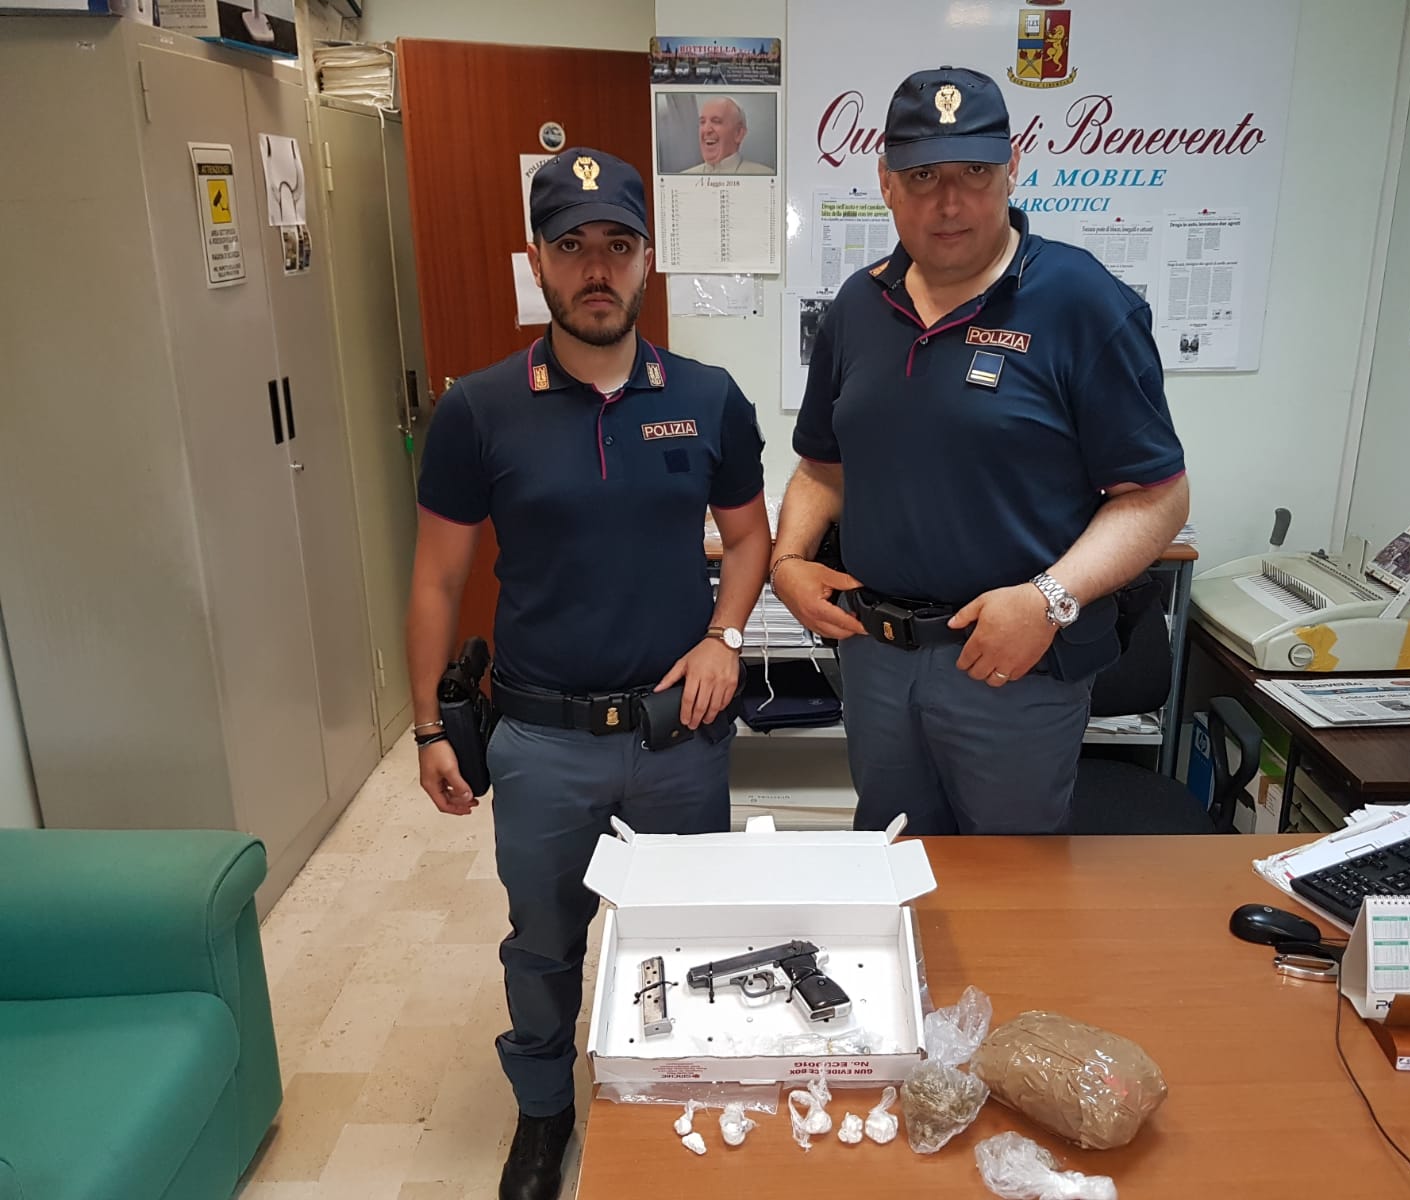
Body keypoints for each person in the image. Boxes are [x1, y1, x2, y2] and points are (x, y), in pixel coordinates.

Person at [405, 146, 768, 1200]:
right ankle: (543, 1111)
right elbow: (436, 579)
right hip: (541, 742)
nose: (596, 269)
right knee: (543, 945)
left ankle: (671, 1087)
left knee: (686, 933)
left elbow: (751, 538)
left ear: (648, 259)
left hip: (676, 736)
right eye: (572, 247)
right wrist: (426, 727)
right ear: (538, 261)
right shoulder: (479, 409)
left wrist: (725, 636)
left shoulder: (708, 398)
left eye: (617, 245)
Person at [770, 67, 1189, 837]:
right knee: (893, 859)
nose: (950, 202)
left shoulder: (1082, 301)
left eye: (974, 172)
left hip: (1012, 661)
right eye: (922, 176)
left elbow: (1158, 496)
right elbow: (822, 468)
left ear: (1013, 167)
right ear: (886, 182)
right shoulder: (858, 305)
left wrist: (1050, 599)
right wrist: (787, 561)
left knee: (1011, 884)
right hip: (876, 658)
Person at [678, 96, 774, 174]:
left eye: (716, 121)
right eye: (702, 122)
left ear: (738, 133)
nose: (706, 130)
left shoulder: (765, 175)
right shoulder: (683, 178)